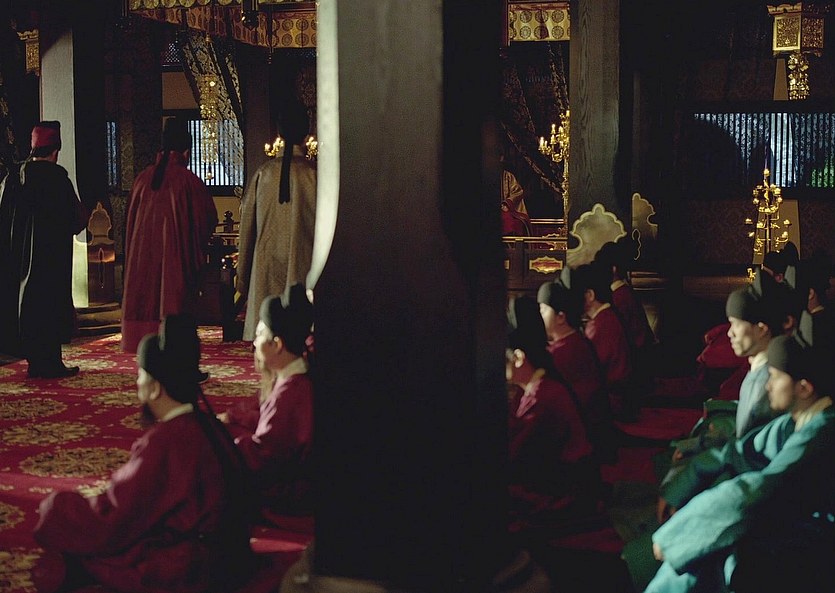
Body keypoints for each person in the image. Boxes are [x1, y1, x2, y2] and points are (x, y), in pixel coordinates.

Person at [33, 314, 255, 593]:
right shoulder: (210, 425)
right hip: (227, 557)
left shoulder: (165, 442)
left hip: (189, 568)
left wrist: (58, 507)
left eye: (140, 375)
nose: (136, 383)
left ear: (155, 388)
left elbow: (117, 513)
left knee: (66, 556)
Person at [645, 334, 835, 593]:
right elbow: (737, 452)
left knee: (714, 553)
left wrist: (676, 536)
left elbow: (756, 489)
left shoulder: (824, 431)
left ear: (804, 388)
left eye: (775, 377)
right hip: (788, 518)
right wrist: (687, 481)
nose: (767, 385)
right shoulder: (795, 421)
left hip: (816, 542)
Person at [505, 294, 600, 542]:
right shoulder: (537, 384)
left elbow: (514, 457)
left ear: (519, 357)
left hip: (564, 495)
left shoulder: (542, 396)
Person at [121, 117, 218, 353]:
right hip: (176, 266)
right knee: (174, 302)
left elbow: (128, 226)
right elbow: (207, 221)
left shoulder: (142, 180)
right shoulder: (189, 182)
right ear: (186, 152)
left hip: (141, 264)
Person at [219, 283, 314, 520]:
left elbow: (264, 455)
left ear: (277, 344)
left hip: (290, 492)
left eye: (260, 334)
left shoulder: (292, 392)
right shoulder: (296, 376)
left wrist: (221, 446)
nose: (254, 343)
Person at [0, 121, 87, 377]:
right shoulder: (58, 179)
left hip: (19, 261)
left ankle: (34, 362)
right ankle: (51, 363)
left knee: (26, 307)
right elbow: (77, 220)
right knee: (50, 307)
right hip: (51, 259)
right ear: (55, 150)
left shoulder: (14, 178)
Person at [237, 100, 317, 342]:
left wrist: (243, 278)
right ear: (306, 133)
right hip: (304, 269)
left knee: (268, 337)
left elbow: (247, 229)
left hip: (266, 270)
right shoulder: (314, 175)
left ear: (280, 133)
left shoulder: (263, 174)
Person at [536, 278, 614, 461]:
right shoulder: (574, 340)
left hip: (582, 435)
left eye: (543, 310)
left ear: (561, 317)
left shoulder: (564, 351)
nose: (539, 315)